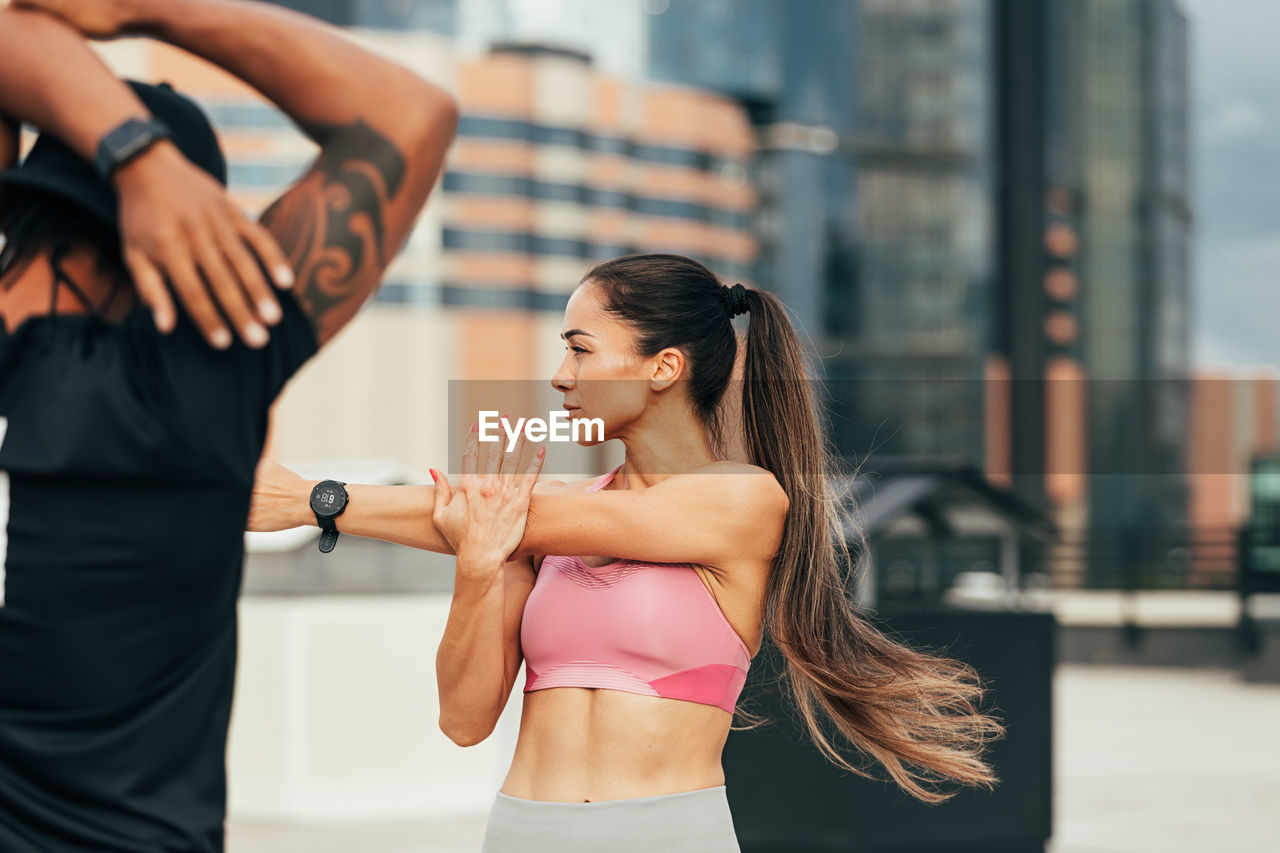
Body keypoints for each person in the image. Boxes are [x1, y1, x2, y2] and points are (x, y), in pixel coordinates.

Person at [251, 253, 1007, 851]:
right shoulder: (537, 528)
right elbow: (464, 720)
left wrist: (315, 498)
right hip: (522, 833)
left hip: (665, 835)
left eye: (581, 349)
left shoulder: (741, 501)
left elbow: (506, 515)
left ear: (663, 366)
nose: (560, 376)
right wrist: (479, 568)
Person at [0, 0, 457, 849]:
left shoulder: (59, 364)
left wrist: (125, 155)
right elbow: (410, 115)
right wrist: (149, 21)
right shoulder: (186, 382)